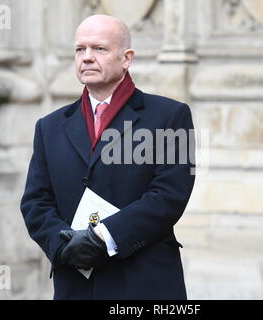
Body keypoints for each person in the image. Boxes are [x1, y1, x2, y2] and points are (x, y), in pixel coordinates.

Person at [20, 14, 195, 300]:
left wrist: (103, 237)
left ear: (126, 58)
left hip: (144, 283)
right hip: (75, 284)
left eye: (99, 49)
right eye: (80, 49)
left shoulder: (170, 115)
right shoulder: (48, 126)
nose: (87, 57)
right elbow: (35, 202)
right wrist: (63, 244)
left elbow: (169, 195)